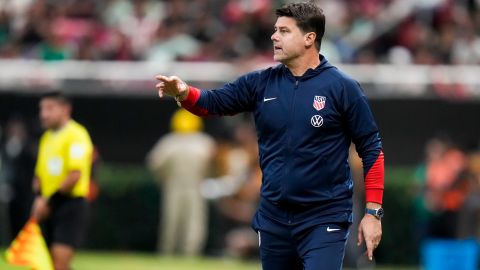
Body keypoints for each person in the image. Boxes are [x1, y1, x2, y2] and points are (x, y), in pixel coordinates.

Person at [155, 2, 384, 270]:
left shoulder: (343, 88)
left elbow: (372, 149)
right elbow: (213, 103)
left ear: (309, 38)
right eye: (276, 30)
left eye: (284, 31)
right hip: (274, 218)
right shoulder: (260, 83)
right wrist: (184, 92)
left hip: (324, 217)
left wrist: (372, 213)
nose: (274, 36)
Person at [31, 91, 93, 270]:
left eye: (50, 108)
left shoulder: (77, 135)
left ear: (65, 109)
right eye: (42, 109)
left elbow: (75, 175)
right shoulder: (46, 138)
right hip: (47, 205)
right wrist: (38, 198)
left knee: (60, 262)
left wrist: (48, 201)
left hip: (69, 205)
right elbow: (38, 176)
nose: (44, 114)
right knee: (48, 263)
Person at [146, 108, 215, 256]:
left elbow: (154, 164)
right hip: (195, 186)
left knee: (171, 220)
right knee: (194, 222)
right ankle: (190, 254)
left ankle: (167, 252)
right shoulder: (205, 142)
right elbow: (214, 167)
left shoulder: (169, 142)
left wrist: (162, 179)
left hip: (174, 186)